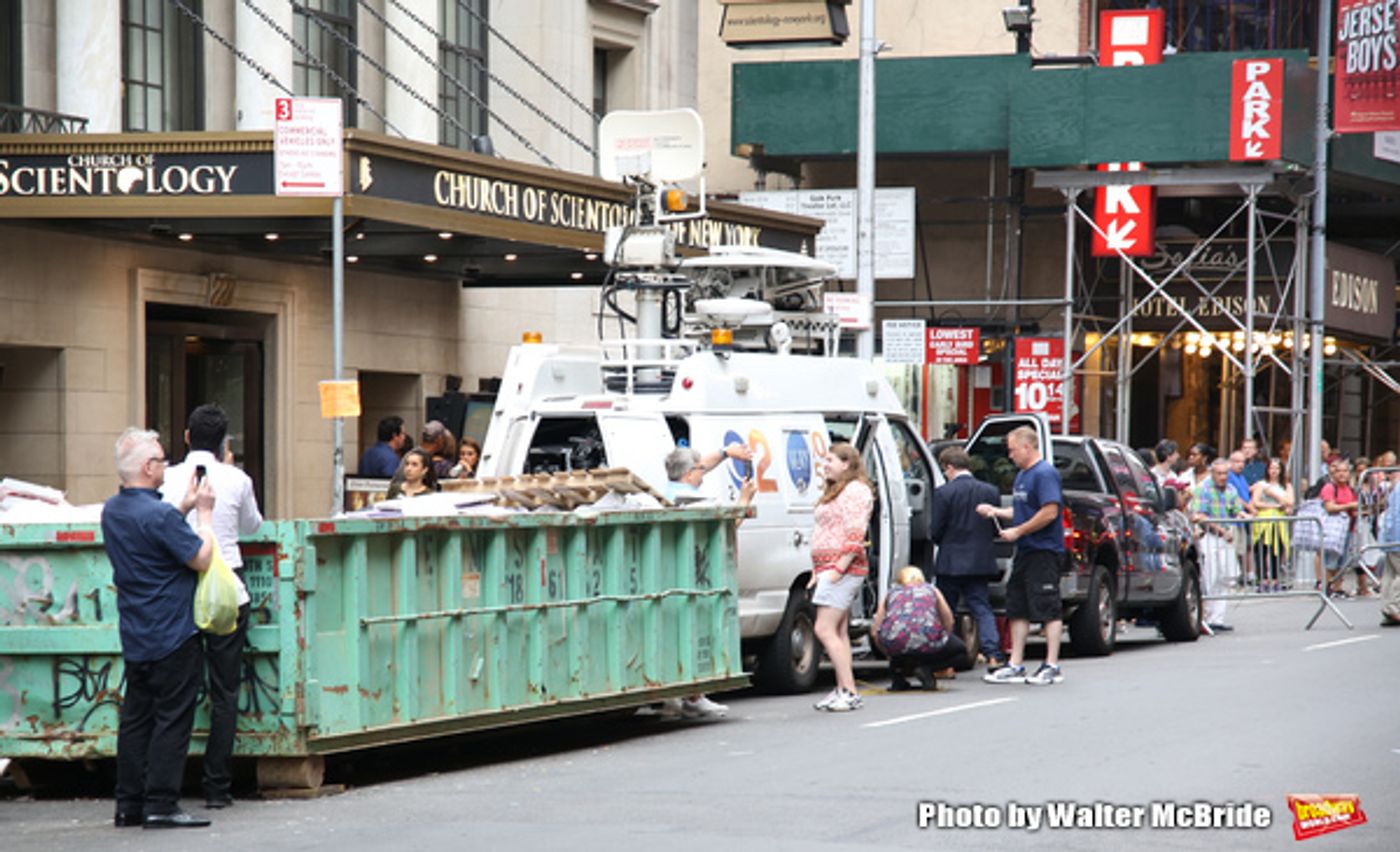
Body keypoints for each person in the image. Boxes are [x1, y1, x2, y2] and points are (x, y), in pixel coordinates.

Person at [102, 428, 217, 829]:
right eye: (163, 460)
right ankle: (162, 803)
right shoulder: (159, 515)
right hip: (173, 630)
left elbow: (152, 539)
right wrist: (202, 515)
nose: (166, 465)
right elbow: (200, 558)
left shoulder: (113, 511)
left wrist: (180, 510)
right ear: (149, 468)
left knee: (136, 718)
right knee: (172, 718)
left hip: (136, 631)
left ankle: (128, 803)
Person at [160, 405, 263, 810]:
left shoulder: (167, 478)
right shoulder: (237, 479)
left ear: (186, 437)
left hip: (179, 586)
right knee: (225, 690)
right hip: (226, 589)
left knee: (177, 692)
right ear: (225, 442)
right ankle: (217, 787)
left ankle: (166, 781)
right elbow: (252, 526)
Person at [650, 442, 755, 719]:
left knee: (669, 633)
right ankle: (694, 696)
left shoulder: (665, 491)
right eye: (699, 470)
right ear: (688, 474)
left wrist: (725, 453)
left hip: (664, 575)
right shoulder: (694, 499)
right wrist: (743, 501)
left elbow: (700, 464)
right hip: (694, 574)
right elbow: (725, 528)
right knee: (693, 633)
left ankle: (673, 695)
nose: (703, 473)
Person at [977, 426, 1066, 686]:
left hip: (1044, 550)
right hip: (1026, 550)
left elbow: (1049, 512)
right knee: (1017, 606)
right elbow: (1022, 511)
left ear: (1027, 447)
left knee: (1048, 606)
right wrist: (996, 512)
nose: (1010, 455)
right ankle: (1015, 663)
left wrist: (1018, 531)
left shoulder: (1045, 474)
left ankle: (1052, 665)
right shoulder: (1022, 476)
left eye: (1013, 449)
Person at [809, 443, 874, 712]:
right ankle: (843, 688)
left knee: (823, 628)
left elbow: (855, 533)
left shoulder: (855, 491)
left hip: (841, 569)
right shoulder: (838, 490)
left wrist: (838, 569)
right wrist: (817, 569)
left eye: (830, 460)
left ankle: (848, 689)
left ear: (846, 464)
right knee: (838, 630)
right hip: (829, 568)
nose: (825, 465)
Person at [927, 447, 1003, 669]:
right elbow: (996, 527)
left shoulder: (944, 493)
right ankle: (993, 655)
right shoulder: (990, 491)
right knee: (981, 608)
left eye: (945, 470)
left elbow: (936, 531)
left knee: (946, 611)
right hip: (980, 560)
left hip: (950, 561)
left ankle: (944, 661)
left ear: (949, 467)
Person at [871, 566, 969, 690]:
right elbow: (949, 620)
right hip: (926, 640)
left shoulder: (891, 592)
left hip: (895, 642)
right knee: (961, 651)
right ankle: (927, 668)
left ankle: (898, 678)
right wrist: (943, 638)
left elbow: (875, 631)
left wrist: (887, 652)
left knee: (898, 641)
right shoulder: (931, 590)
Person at [1192, 458, 1252, 632]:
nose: (1223, 477)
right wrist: (1221, 530)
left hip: (1226, 538)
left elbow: (1235, 510)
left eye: (1225, 473)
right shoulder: (1204, 489)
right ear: (1212, 474)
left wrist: (1242, 515)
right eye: (1219, 473)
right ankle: (1205, 619)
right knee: (1209, 578)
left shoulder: (1231, 490)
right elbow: (1200, 516)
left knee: (1224, 578)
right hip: (1209, 538)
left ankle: (1217, 619)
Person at [1249, 457, 1294, 592]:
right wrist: (1273, 505)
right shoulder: (1261, 484)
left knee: (1277, 551)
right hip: (1263, 521)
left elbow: (1289, 502)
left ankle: (1275, 579)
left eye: (1277, 468)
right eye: (1271, 468)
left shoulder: (1286, 486)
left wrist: (1274, 495)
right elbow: (1256, 502)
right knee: (1261, 550)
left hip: (1279, 522)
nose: (1274, 471)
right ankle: (1262, 579)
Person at [1320, 458, 1360, 597]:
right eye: (1339, 471)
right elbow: (1329, 507)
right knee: (1331, 560)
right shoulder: (1330, 488)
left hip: (1349, 528)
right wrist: (1349, 506)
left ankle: (1338, 588)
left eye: (1345, 471)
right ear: (1333, 473)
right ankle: (1326, 588)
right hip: (1334, 529)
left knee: (1343, 561)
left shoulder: (1350, 489)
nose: (1342, 474)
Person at [1377, 465, 1400, 627]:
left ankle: (1387, 607)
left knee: (1390, 573)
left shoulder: (1396, 488)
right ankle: (1395, 607)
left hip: (1391, 536)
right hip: (1397, 537)